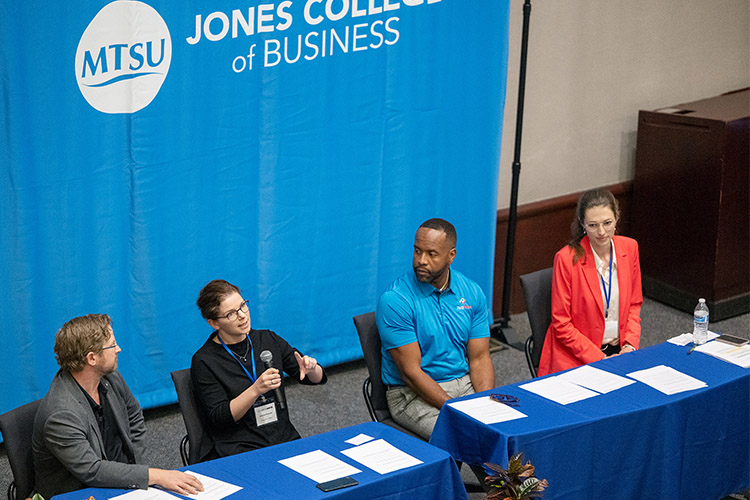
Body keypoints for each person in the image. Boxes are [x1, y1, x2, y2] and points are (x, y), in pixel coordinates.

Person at [32, 314, 203, 499]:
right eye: (112, 345)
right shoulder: (61, 414)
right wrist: (155, 475)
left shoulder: (109, 377)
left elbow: (134, 416)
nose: (118, 349)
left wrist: (137, 470)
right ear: (92, 358)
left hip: (120, 482)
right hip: (80, 491)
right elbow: (92, 470)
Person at [376, 218, 495, 439]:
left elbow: (479, 358)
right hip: (411, 394)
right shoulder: (394, 300)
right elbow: (411, 373)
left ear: (451, 255)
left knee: (498, 430)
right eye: (417, 251)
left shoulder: (472, 292)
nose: (421, 260)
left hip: (463, 382)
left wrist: (484, 404)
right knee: (465, 436)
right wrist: (456, 410)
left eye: (431, 254)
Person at [191, 279, 327, 458]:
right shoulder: (205, 361)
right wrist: (256, 390)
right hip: (241, 449)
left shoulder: (267, 339)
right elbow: (219, 418)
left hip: (284, 439)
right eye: (231, 314)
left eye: (243, 306)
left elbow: (315, 378)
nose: (242, 315)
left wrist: (312, 369)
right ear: (214, 323)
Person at [538, 188, 643, 376]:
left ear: (617, 218)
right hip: (578, 358)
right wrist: (600, 359)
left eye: (607, 223)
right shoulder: (566, 259)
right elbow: (561, 324)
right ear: (582, 224)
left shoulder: (630, 248)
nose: (601, 232)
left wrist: (630, 346)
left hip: (620, 352)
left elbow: (634, 305)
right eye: (593, 225)